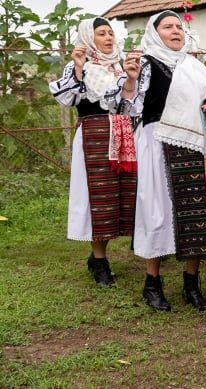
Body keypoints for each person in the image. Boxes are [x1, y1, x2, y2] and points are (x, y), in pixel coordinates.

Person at [109, 10, 206, 312]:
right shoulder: (145, 65)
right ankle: (153, 283)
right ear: (154, 32)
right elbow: (125, 108)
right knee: (157, 211)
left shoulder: (194, 67)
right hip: (158, 143)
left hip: (195, 144)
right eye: (168, 27)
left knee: (196, 210)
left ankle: (191, 283)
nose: (176, 31)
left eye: (179, 27)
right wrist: (129, 80)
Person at [49, 17, 136, 287]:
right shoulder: (81, 65)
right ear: (89, 38)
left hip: (123, 136)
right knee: (99, 198)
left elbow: (133, 102)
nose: (108, 38)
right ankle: (100, 260)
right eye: (101, 33)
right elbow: (67, 98)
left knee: (121, 196)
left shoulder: (121, 65)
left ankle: (101, 254)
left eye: (111, 33)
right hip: (94, 138)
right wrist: (78, 68)